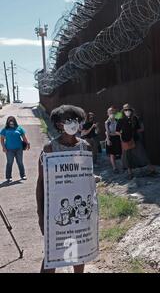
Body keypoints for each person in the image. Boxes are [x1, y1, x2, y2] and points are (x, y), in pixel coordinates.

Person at [36, 104, 91, 273]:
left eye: (75, 119)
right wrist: (41, 213)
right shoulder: (50, 149)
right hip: (55, 214)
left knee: (78, 253)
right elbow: (41, 184)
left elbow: (86, 182)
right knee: (53, 256)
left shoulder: (85, 147)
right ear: (59, 124)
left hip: (79, 215)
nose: (72, 123)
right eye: (67, 120)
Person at [116, 104, 157, 179]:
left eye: (128, 109)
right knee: (127, 157)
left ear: (131, 110)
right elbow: (117, 131)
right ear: (123, 111)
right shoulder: (120, 119)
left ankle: (152, 169)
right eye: (125, 110)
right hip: (126, 141)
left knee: (142, 154)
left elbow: (139, 129)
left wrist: (133, 131)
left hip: (135, 139)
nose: (127, 111)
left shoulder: (134, 118)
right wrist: (123, 135)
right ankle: (130, 173)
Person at [1, 116, 30, 183]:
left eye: (12, 122)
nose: (11, 124)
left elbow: (24, 137)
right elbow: (2, 139)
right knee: (9, 163)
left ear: (14, 122)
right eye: (10, 122)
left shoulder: (19, 128)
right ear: (8, 122)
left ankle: (23, 175)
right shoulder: (5, 129)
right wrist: (3, 147)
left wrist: (27, 143)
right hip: (9, 150)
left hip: (19, 149)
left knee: (20, 162)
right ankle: (9, 177)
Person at [104, 107, 122, 173]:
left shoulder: (118, 119)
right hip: (111, 138)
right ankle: (114, 168)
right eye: (110, 111)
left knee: (121, 152)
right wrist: (108, 140)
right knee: (112, 154)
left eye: (112, 111)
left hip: (118, 137)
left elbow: (121, 114)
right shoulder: (107, 122)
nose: (111, 112)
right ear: (108, 113)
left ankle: (124, 166)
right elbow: (107, 132)